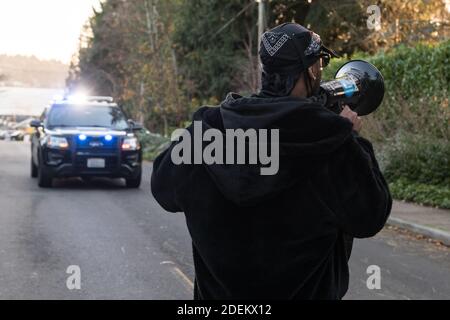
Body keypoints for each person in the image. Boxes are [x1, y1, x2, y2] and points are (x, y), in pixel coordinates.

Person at [151, 23, 392, 300]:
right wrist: (350, 139)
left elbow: (163, 191)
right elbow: (370, 218)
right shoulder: (333, 142)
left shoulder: (205, 133)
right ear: (312, 70)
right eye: (321, 63)